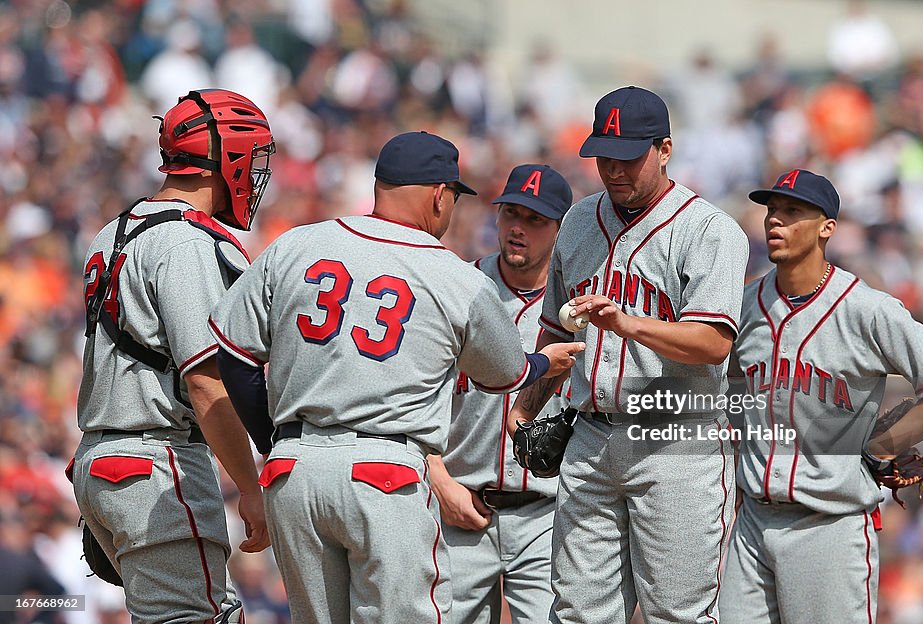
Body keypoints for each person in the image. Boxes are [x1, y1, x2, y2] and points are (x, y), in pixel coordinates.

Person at [208, 131, 585, 624]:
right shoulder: (452, 274)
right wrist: (543, 364)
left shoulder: (296, 244)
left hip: (295, 470)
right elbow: (510, 372)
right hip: (386, 474)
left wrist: (274, 441)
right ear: (437, 195)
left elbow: (233, 359)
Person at [507, 86, 750, 623]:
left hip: (675, 439)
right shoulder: (576, 220)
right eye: (604, 157)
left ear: (664, 149)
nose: (614, 170)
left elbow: (714, 343)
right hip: (589, 437)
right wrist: (527, 403)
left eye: (628, 157)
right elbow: (555, 330)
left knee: (678, 613)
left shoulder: (709, 230)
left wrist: (629, 324)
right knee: (577, 612)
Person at [720, 169, 923, 623]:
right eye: (772, 210)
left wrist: (883, 446)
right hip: (751, 524)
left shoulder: (866, 309)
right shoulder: (745, 305)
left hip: (829, 526)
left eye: (793, 211)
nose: (775, 221)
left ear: (827, 228)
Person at [72, 89, 275, 623]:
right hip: (156, 463)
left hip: (103, 460)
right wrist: (252, 491)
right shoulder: (186, 242)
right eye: (252, 158)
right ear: (225, 159)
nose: (256, 175)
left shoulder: (110, 232)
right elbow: (207, 382)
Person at [427, 163, 573, 623]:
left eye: (535, 220)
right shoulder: (458, 288)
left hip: (546, 515)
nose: (518, 229)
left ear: (561, 229)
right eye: (511, 213)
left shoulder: (580, 307)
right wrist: (439, 481)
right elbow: (412, 398)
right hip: (459, 506)